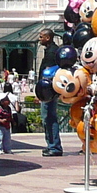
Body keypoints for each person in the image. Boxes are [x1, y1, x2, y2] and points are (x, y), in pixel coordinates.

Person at [35, 28, 63, 156]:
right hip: (46, 91)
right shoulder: (50, 51)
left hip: (49, 91)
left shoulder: (52, 52)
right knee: (47, 118)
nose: (39, 39)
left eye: (41, 37)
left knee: (49, 117)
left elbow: (50, 72)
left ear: (48, 38)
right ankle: (51, 145)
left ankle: (54, 147)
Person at [0, 82, 19, 154]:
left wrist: (12, 121)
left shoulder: (8, 108)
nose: (8, 101)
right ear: (1, 102)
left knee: (7, 138)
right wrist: (1, 120)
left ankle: (7, 149)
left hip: (7, 125)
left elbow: (10, 115)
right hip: (0, 125)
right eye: (6, 100)